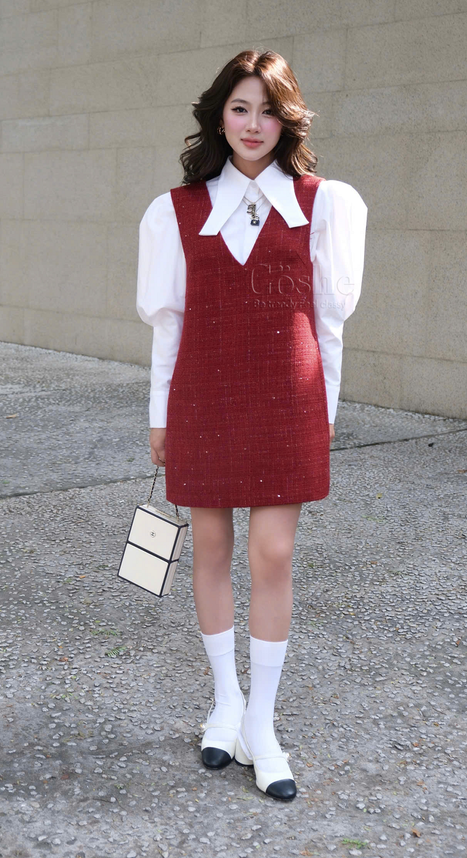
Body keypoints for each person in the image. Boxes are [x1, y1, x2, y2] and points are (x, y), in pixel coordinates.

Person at [136, 50, 367, 801]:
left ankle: (261, 724)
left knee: (272, 553)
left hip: (288, 403)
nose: (254, 124)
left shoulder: (325, 205)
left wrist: (324, 413)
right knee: (208, 548)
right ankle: (225, 703)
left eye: (268, 110)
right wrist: (159, 415)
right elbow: (168, 325)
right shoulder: (174, 211)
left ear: (287, 119)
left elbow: (329, 324)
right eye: (240, 108)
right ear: (219, 117)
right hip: (202, 398)